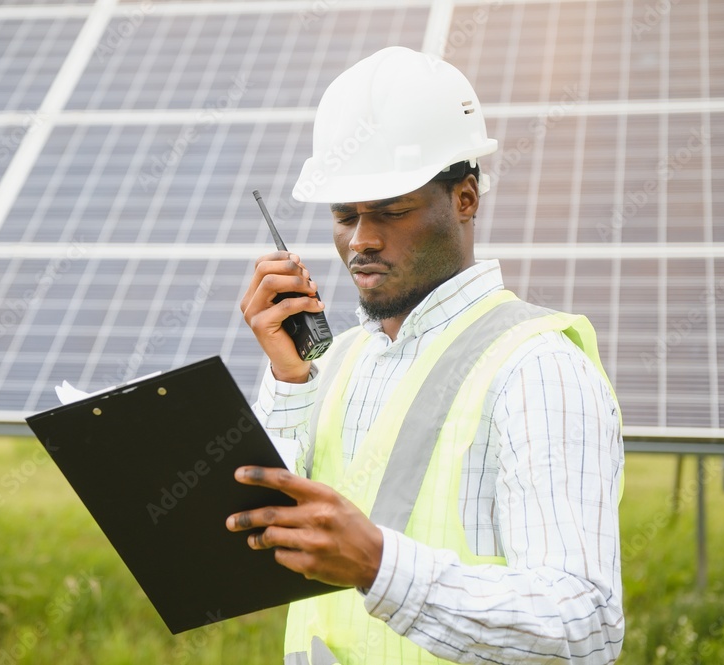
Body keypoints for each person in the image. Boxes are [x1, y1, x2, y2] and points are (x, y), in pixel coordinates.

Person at [228, 47, 624, 664]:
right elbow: (258, 537)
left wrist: (381, 567)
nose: (361, 240)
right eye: (344, 215)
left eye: (391, 210)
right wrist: (288, 379)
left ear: (465, 199)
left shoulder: (537, 369)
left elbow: (582, 621)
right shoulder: (329, 363)